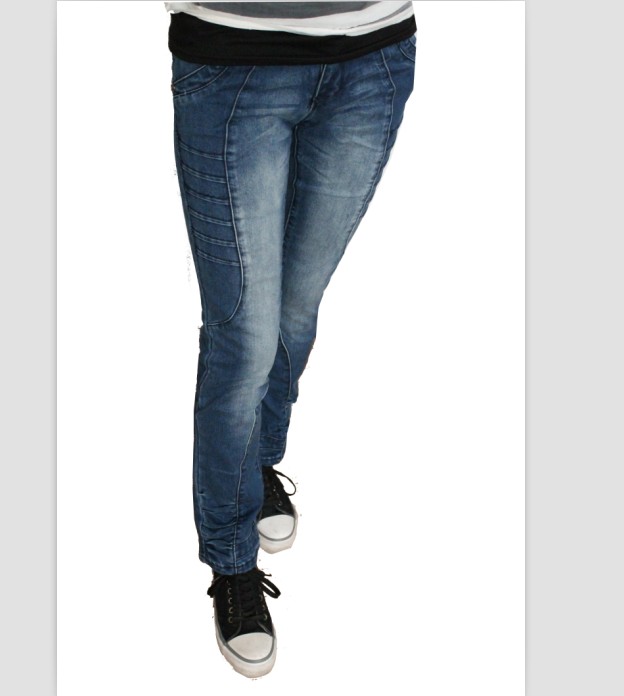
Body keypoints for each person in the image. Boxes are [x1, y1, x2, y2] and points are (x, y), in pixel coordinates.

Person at [166, 0, 416, 678]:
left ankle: (257, 466)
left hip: (373, 55)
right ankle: (232, 561)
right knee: (244, 336)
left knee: (296, 312)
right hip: (235, 57)